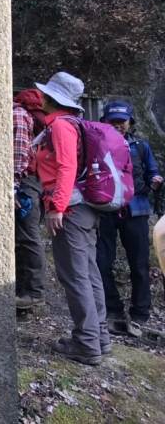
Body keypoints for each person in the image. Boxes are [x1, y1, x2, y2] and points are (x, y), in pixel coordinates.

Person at [34, 72, 110, 365]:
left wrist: (57, 206)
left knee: (75, 276)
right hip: (83, 208)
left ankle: (87, 343)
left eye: (45, 94)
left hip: (72, 210)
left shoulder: (61, 127)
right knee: (88, 273)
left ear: (53, 99)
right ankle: (99, 337)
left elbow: (66, 167)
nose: (41, 97)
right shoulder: (74, 123)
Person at [96, 101, 162, 337]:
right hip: (105, 210)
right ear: (104, 122)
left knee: (139, 264)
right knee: (102, 262)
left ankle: (140, 314)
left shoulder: (141, 147)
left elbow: (153, 171)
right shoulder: (97, 144)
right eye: (113, 121)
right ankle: (112, 310)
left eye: (122, 121)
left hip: (136, 210)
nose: (118, 125)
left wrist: (155, 180)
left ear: (130, 122)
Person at [13, 89, 46, 309]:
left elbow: (18, 153)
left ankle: (34, 293)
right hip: (33, 180)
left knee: (28, 236)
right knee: (24, 236)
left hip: (25, 182)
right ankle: (24, 290)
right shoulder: (26, 114)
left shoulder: (18, 114)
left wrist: (13, 186)